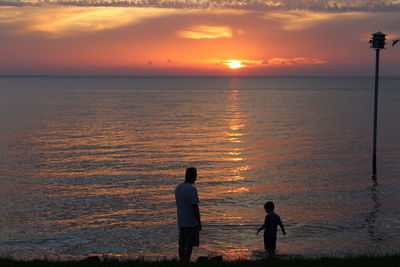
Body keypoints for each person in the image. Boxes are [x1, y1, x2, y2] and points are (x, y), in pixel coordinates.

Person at [175, 167, 202, 262]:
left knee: (182, 244)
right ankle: (186, 261)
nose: (196, 178)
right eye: (195, 175)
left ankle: (181, 260)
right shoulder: (192, 189)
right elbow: (195, 207)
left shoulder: (178, 187)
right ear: (193, 176)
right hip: (190, 222)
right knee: (189, 245)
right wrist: (198, 221)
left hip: (181, 221)